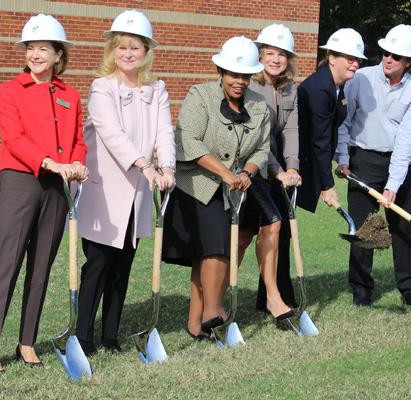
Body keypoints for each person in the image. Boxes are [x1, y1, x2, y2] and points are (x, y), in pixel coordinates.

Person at [162, 36, 293, 341]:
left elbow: (262, 148)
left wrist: (248, 171)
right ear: (220, 72)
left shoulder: (258, 106)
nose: (240, 81)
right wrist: (224, 173)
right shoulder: (200, 95)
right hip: (197, 185)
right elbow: (188, 140)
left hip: (234, 187)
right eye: (234, 74)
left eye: (245, 75)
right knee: (214, 249)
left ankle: (197, 323)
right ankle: (211, 312)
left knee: (212, 252)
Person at [0, 14, 88, 373]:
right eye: (30, 47)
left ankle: (27, 342)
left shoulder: (70, 95)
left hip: (57, 187)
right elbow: (13, 138)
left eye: (43, 48)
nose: (35, 54)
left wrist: (77, 163)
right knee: (8, 261)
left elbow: (76, 141)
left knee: (41, 266)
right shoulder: (10, 90)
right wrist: (48, 162)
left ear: (59, 55)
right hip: (20, 181)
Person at [75, 9, 176, 356]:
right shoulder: (102, 87)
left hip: (137, 193)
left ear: (147, 51)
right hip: (104, 192)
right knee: (98, 265)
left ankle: (110, 336)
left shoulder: (157, 89)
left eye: (135, 47)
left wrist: (167, 167)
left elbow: (164, 131)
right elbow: (111, 133)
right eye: (122, 47)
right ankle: (83, 337)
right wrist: (144, 165)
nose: (128, 53)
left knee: (123, 266)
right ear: (112, 51)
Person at [335, 25, 411, 310]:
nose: (388, 59)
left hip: (397, 163)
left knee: (404, 227)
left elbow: (405, 142)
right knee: (363, 229)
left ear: (409, 62)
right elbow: (344, 122)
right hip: (362, 160)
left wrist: (393, 185)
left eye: (396, 56)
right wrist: (343, 158)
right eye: (386, 52)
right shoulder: (360, 79)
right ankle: (361, 290)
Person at [249, 24, 302, 311]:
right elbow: (258, 137)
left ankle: (273, 296)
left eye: (281, 54)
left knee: (278, 232)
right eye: (270, 53)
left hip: (277, 167)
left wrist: (292, 166)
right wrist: (276, 170)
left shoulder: (289, 87)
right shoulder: (251, 86)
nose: (275, 59)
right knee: (247, 235)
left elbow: (291, 131)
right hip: (252, 166)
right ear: (260, 54)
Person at [297, 28, 366, 213]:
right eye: (350, 59)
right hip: (296, 164)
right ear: (332, 58)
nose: (355, 64)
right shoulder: (321, 89)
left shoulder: (337, 87)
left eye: (357, 60)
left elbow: (335, 128)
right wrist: (326, 185)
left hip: (311, 161)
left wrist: (340, 159)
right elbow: (321, 140)